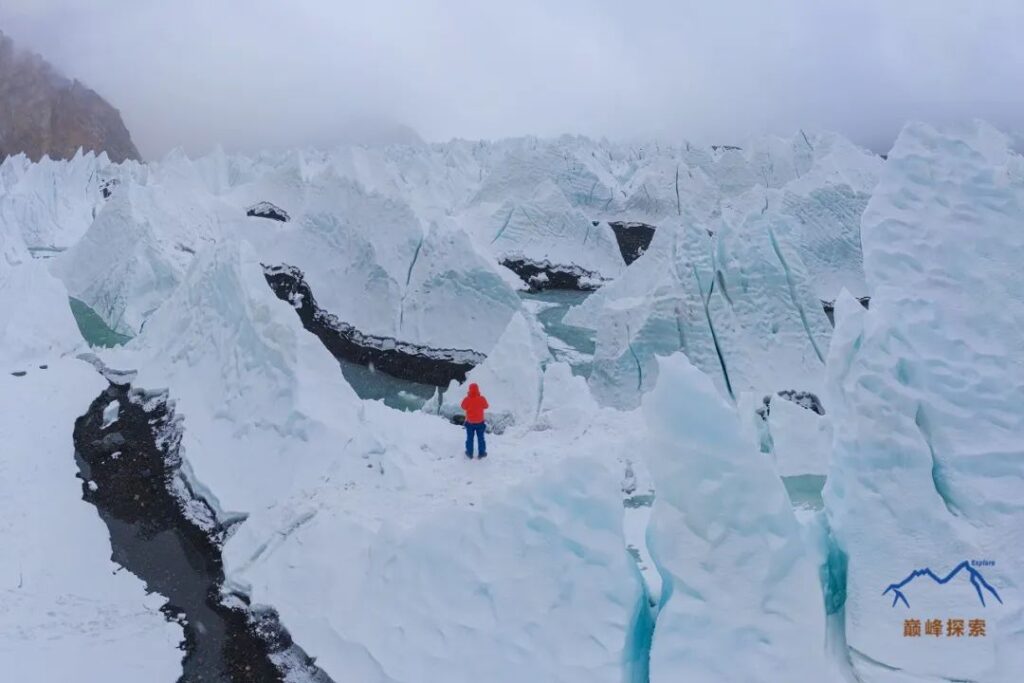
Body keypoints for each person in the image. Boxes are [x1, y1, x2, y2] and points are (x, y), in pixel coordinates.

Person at [460, 383, 489, 459]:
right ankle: (481, 453)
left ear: (469, 390)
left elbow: (463, 406)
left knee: (470, 438)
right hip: (480, 422)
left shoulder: (467, 399)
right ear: (478, 390)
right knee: (481, 438)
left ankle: (469, 453)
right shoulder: (482, 398)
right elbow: (486, 406)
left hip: (470, 423)